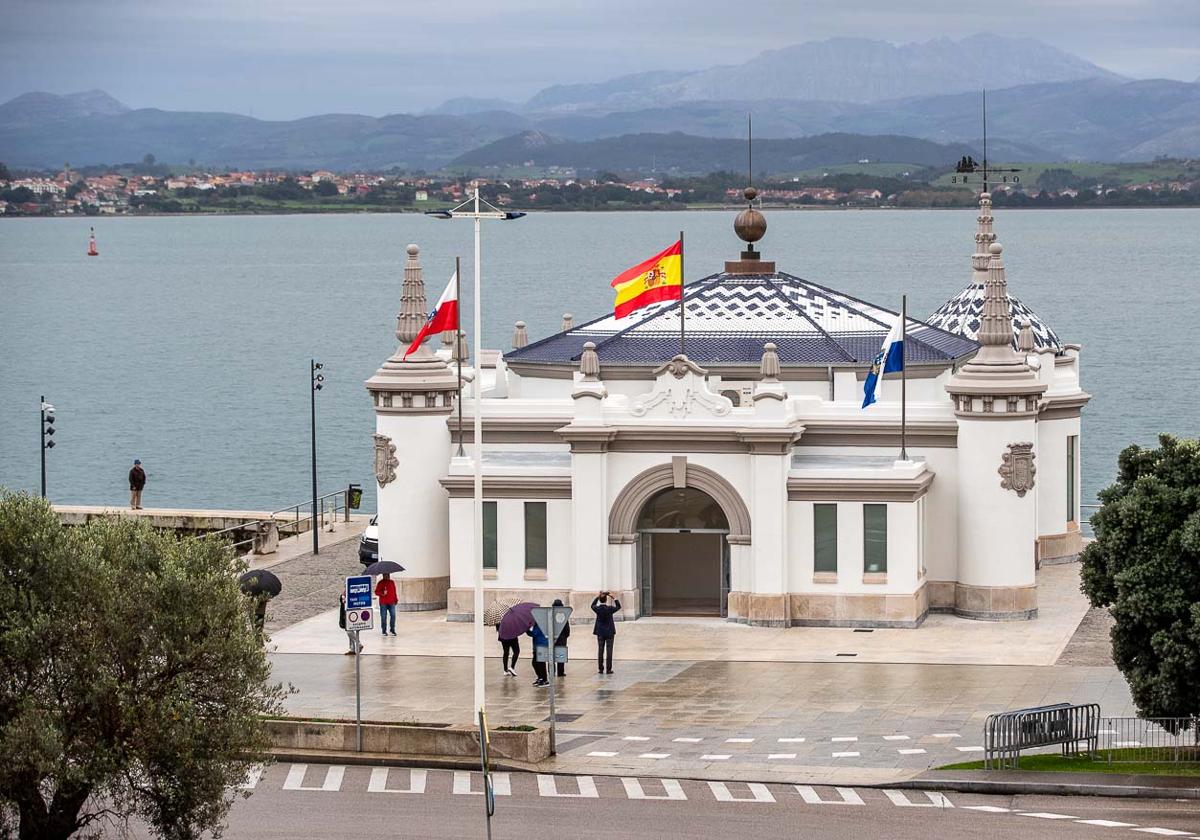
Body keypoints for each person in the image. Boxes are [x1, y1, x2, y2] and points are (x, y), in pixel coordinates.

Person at [592, 591, 620, 675]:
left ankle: (600, 668)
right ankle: (608, 669)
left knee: (600, 650)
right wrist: (614, 598)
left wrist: (598, 596)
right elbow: (618, 606)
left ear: (600, 600)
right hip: (609, 632)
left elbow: (592, 605)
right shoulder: (610, 609)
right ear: (606, 600)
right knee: (609, 650)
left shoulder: (597, 609)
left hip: (600, 631)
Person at [552, 598, 570, 678]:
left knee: (551, 655)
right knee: (561, 655)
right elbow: (567, 628)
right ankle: (560, 672)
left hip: (552, 638)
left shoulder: (550, 615)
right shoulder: (563, 615)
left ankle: (552, 671)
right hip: (562, 638)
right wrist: (566, 635)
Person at [527, 621, 549, 687]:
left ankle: (545, 680)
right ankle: (540, 678)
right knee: (535, 663)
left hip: (541, 645)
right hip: (537, 645)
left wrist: (527, 630)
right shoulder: (536, 624)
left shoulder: (540, 624)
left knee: (540, 663)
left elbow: (534, 634)